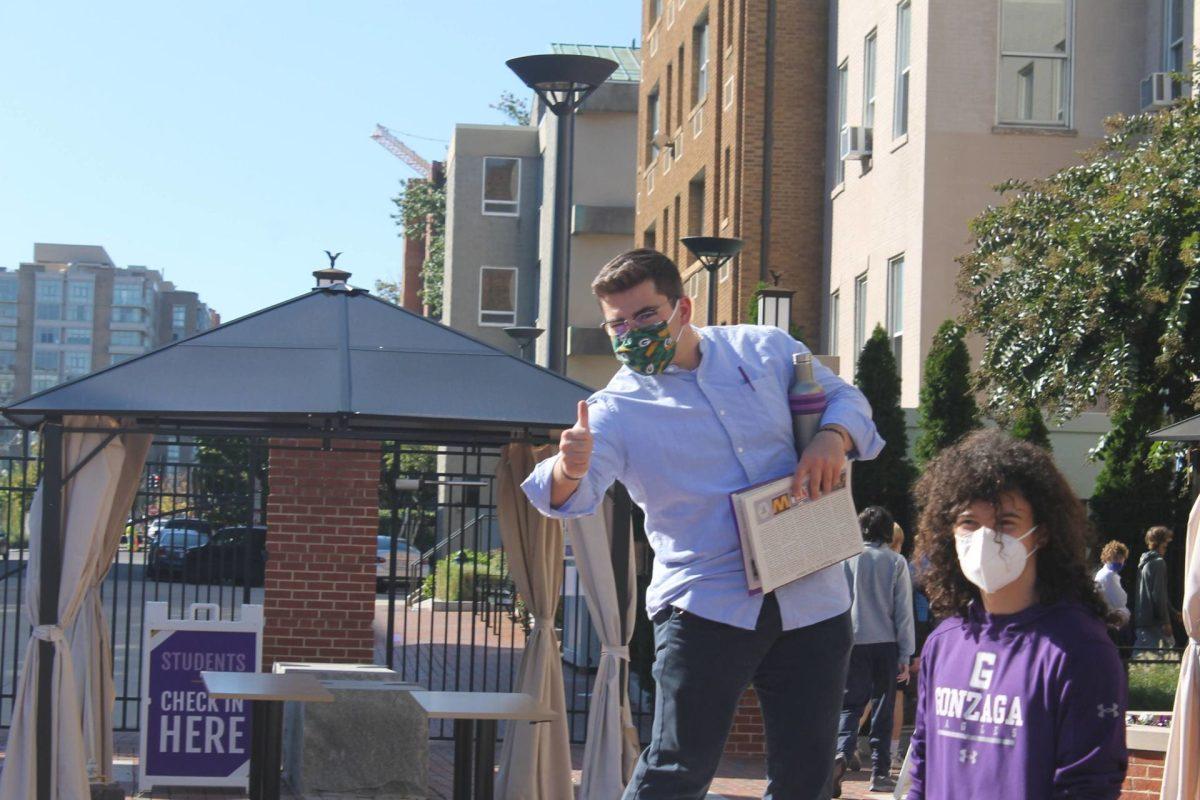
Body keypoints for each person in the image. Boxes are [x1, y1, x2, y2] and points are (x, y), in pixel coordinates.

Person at [521, 249, 884, 799]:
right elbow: (567, 495)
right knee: (676, 769)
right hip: (708, 601)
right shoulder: (615, 409)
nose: (631, 332)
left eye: (644, 316)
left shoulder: (765, 349)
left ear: (683, 307)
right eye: (617, 322)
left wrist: (834, 437)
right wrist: (569, 468)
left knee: (807, 776)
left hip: (812, 590)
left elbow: (843, 397)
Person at [905, 429, 1126, 800]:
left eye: (1006, 523)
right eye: (969, 523)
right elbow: (922, 766)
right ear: (950, 531)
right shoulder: (943, 644)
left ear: (1040, 534)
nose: (985, 538)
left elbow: (1088, 786)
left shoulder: (1080, 651)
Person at [834, 507, 914, 796]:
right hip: (885, 643)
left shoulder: (847, 559)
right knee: (883, 705)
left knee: (849, 704)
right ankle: (880, 773)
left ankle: (841, 752)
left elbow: (836, 602)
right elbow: (903, 611)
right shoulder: (896, 561)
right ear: (886, 530)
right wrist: (906, 654)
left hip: (851, 640)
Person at [1134, 525, 1175, 654]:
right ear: (1162, 541)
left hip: (1142, 618)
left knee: (1142, 661)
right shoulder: (1158, 562)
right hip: (1155, 622)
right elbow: (1159, 594)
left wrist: (1173, 611)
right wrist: (1166, 622)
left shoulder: (1144, 562)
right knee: (1165, 661)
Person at [1094, 540, 1131, 627]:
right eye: (1116, 558)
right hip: (1110, 621)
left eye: (1121, 558)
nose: (1119, 561)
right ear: (1108, 558)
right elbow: (1120, 601)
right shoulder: (1109, 575)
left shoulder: (1102, 572)